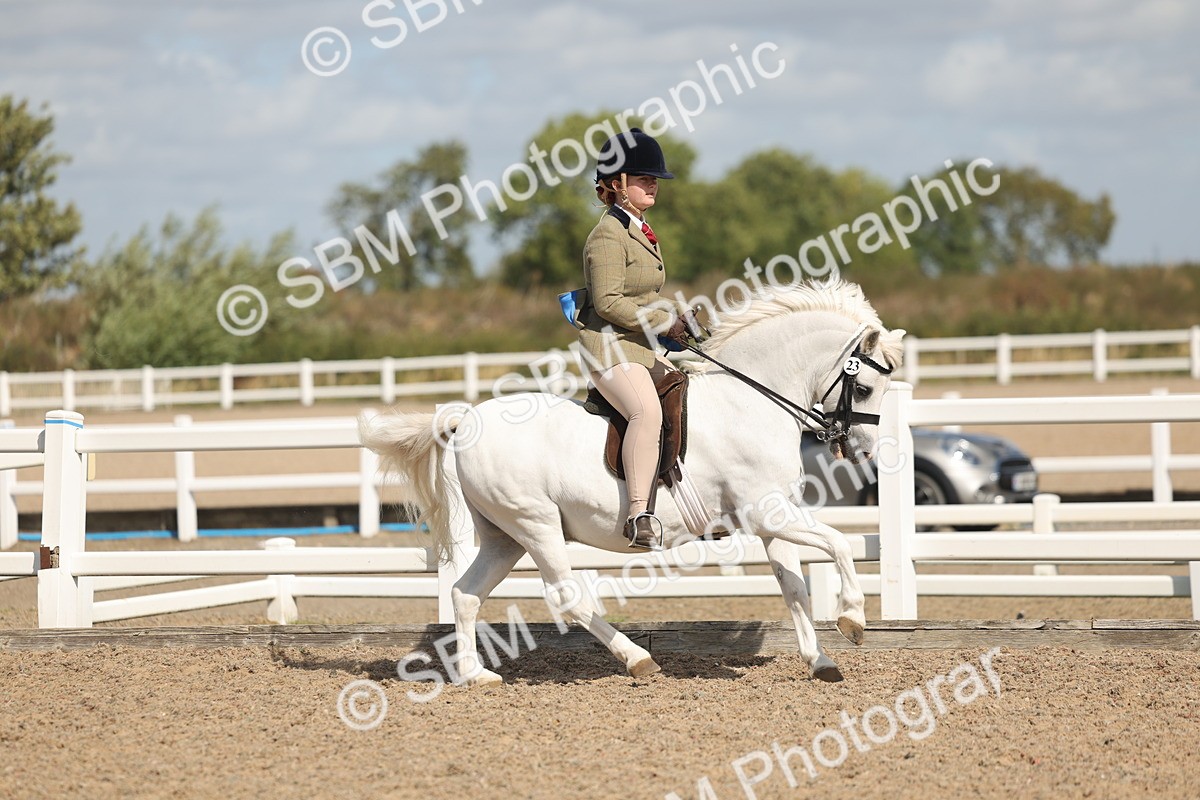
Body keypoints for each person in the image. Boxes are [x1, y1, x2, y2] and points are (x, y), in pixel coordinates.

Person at [575, 128, 690, 549]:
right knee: (646, 412)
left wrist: (679, 322)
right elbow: (607, 304)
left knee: (689, 384)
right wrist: (661, 324)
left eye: (653, 177)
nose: (652, 183)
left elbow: (643, 296)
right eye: (643, 177)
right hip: (607, 346)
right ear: (618, 183)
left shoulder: (641, 229)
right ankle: (639, 514)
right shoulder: (607, 234)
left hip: (638, 344)